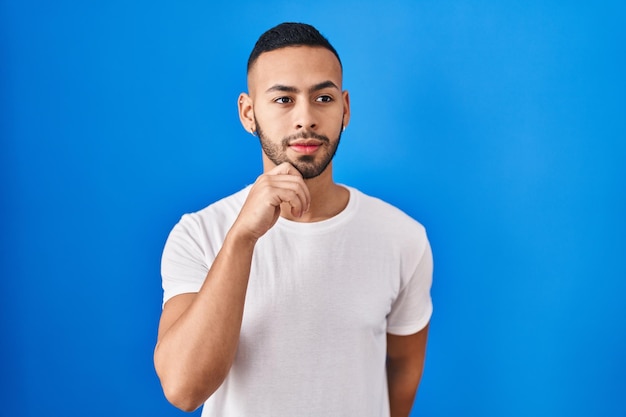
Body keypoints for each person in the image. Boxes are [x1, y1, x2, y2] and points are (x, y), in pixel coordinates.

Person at [154, 22, 433, 417]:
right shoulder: (200, 234)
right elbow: (184, 389)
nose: (306, 118)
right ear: (248, 113)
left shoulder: (402, 236)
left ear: (345, 109)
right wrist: (242, 239)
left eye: (323, 97)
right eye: (284, 100)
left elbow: (404, 370)